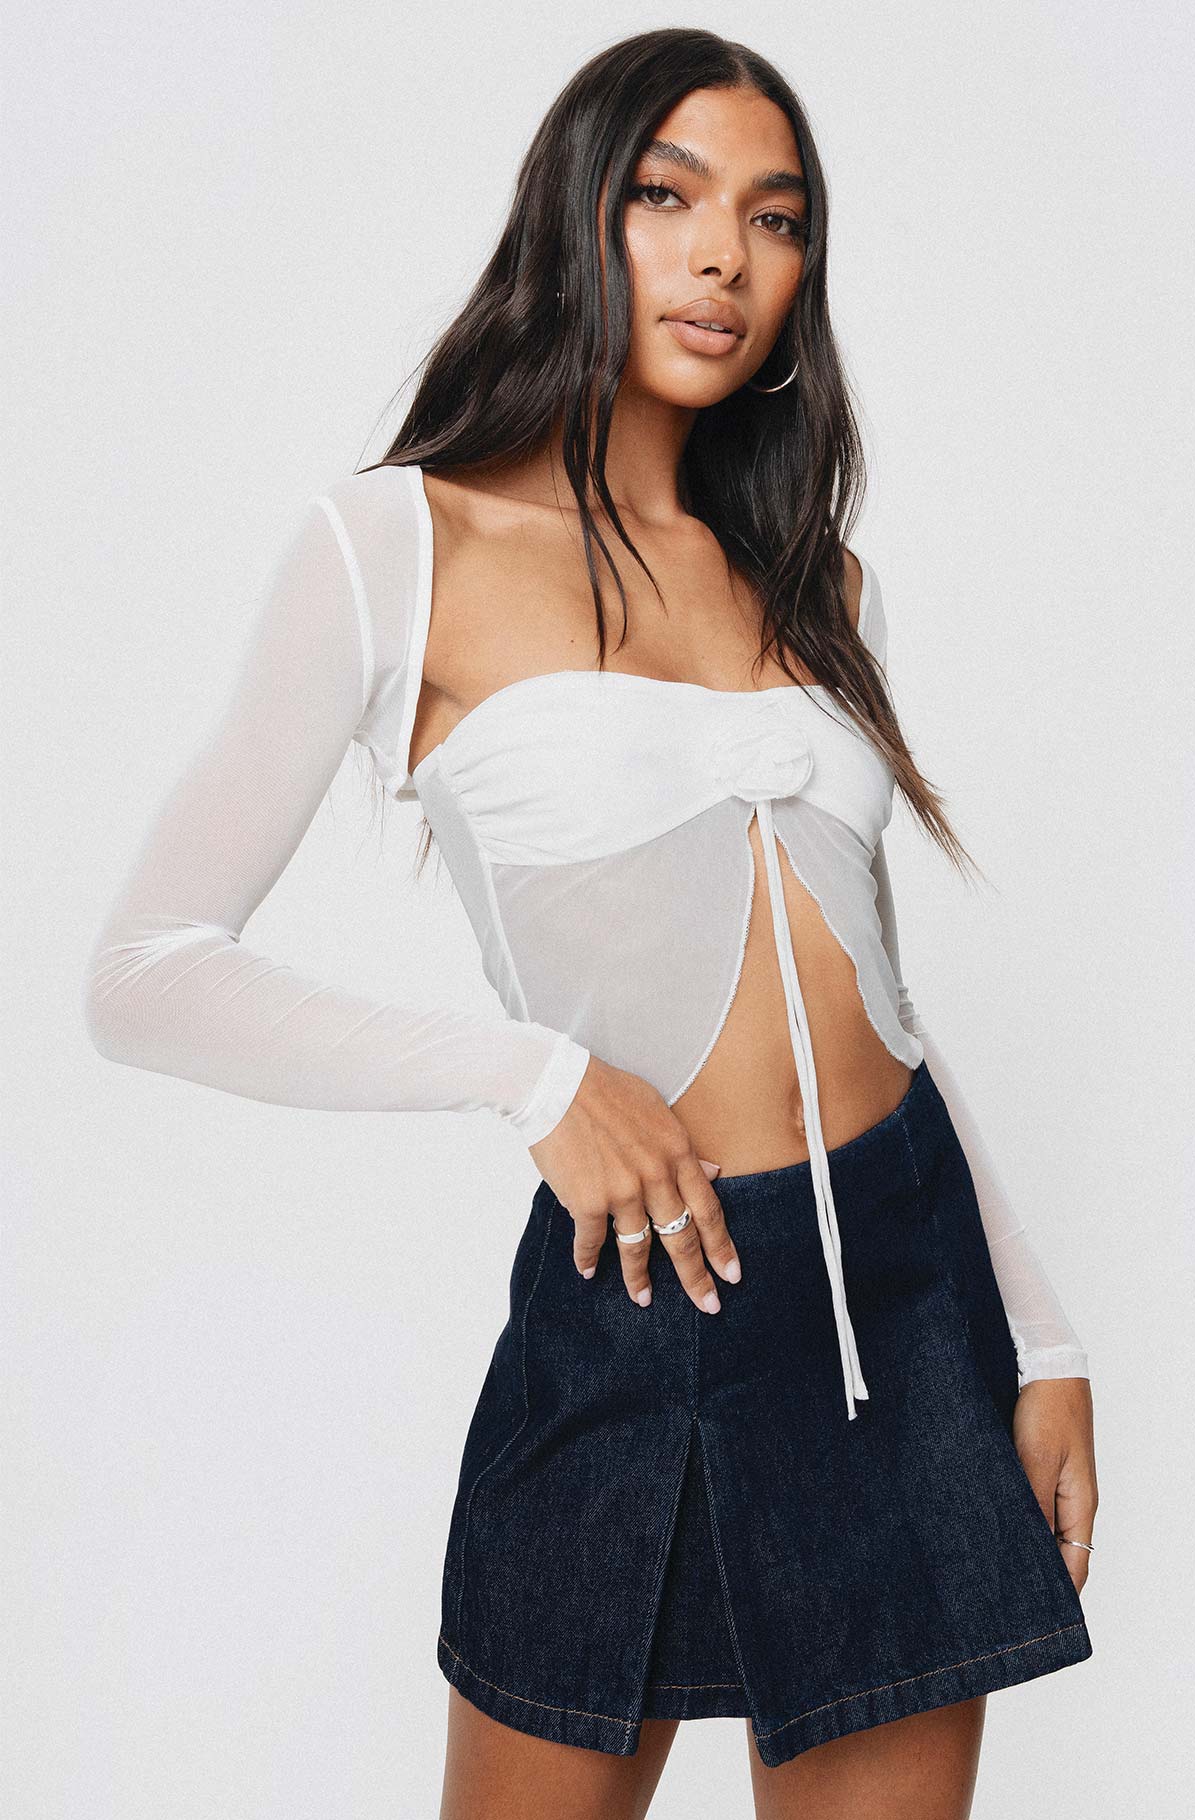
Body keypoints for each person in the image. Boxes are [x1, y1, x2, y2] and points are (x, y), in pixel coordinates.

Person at [82, 29, 1098, 1820]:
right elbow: (144, 975)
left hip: (902, 1298)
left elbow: (877, 998)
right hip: (637, 1299)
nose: (724, 256)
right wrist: (535, 1079)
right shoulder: (402, 547)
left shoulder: (817, 579)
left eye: (775, 217)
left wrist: (1047, 1337)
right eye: (668, 195)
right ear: (579, 212)